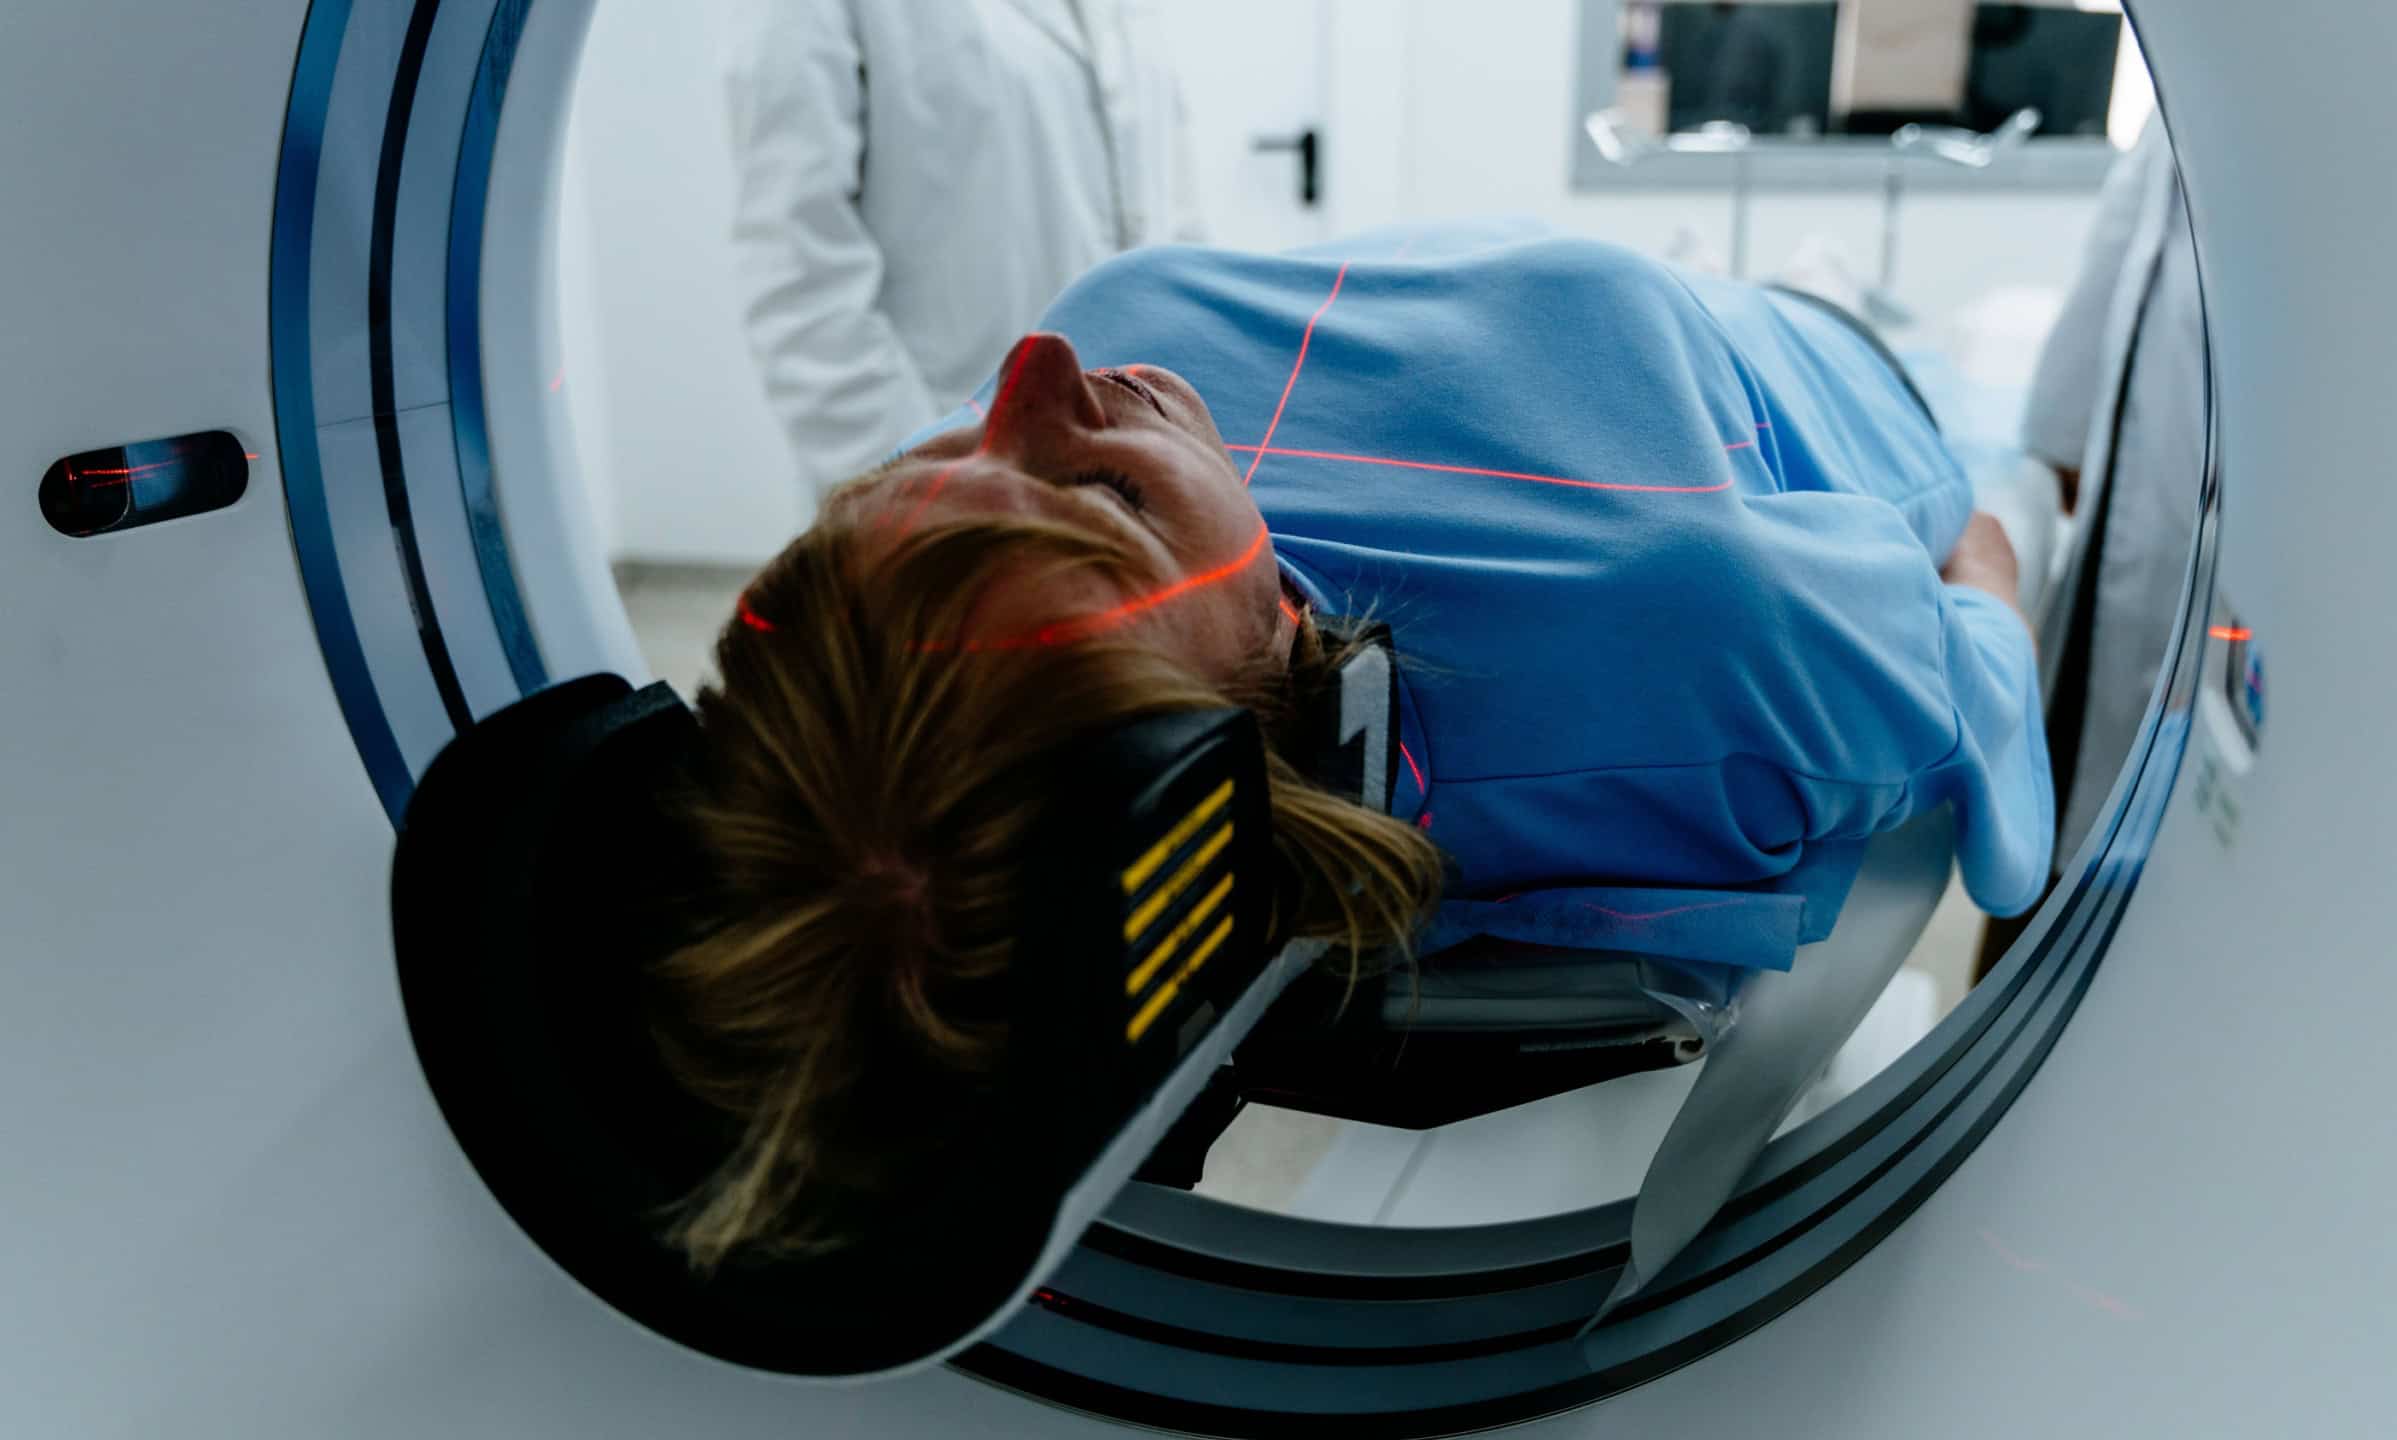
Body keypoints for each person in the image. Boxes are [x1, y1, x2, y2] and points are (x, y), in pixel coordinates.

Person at [651, 220, 2054, 1268]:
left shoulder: (1028, 615)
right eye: (1097, 495)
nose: (1037, 368)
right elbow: (1985, 765)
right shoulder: (1689, 634)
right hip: (1836, 371)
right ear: (1254, 687)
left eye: (928, 472)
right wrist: (1992, 578)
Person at [725, 0, 1200, 491]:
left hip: (1140, 466)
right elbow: (797, 266)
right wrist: (914, 481)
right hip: (946, 473)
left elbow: (1174, 216)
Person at [1978, 116, 2207, 975]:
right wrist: (2064, 438)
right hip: (2135, 500)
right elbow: (2127, 250)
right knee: (2067, 800)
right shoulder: (2183, 107)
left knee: (2110, 832)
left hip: (2191, 517)